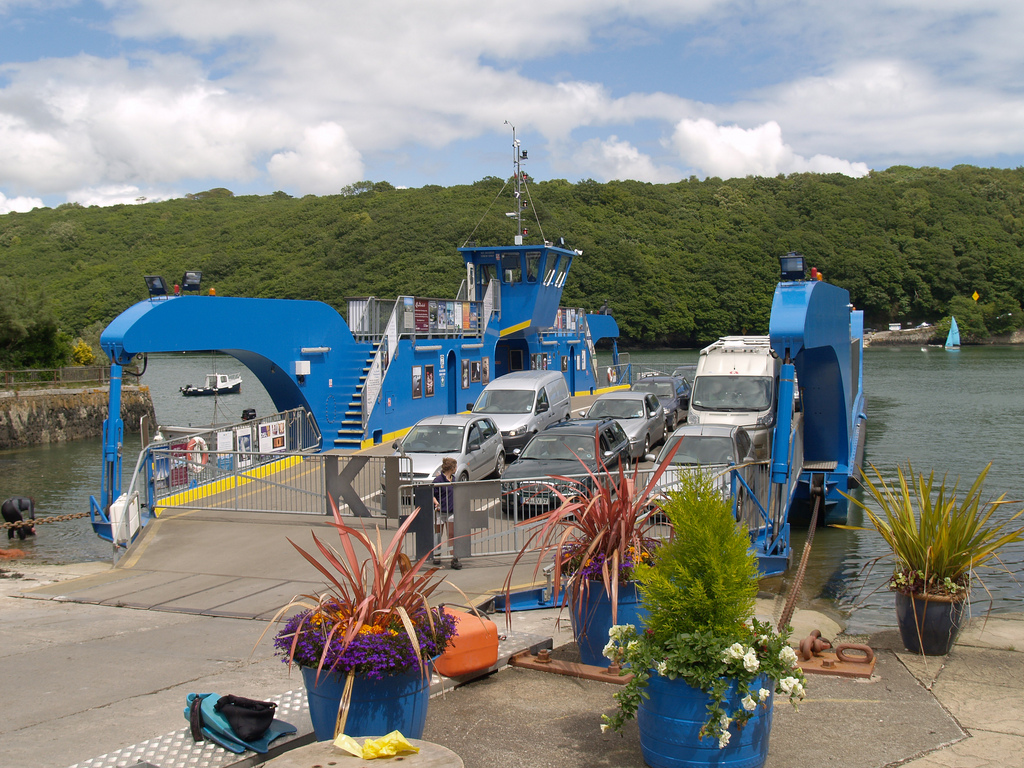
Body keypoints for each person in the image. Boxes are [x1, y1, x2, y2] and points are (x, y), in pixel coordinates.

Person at [432, 457, 462, 570]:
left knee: (451, 535)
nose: (456, 468)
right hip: (440, 512)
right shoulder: (438, 480)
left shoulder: (454, 480)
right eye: (455, 466)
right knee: (438, 534)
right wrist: (437, 503)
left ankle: (454, 558)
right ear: (452, 468)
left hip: (451, 511)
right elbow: (432, 494)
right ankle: (437, 555)